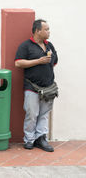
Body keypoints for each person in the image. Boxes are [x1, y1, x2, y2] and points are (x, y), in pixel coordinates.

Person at [15, 19, 58, 152]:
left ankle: (41, 138)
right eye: (46, 29)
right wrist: (38, 61)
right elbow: (18, 63)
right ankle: (29, 140)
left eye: (48, 29)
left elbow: (54, 62)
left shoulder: (49, 45)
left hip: (48, 87)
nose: (48, 31)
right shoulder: (26, 46)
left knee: (44, 114)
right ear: (37, 31)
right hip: (32, 87)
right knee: (31, 114)